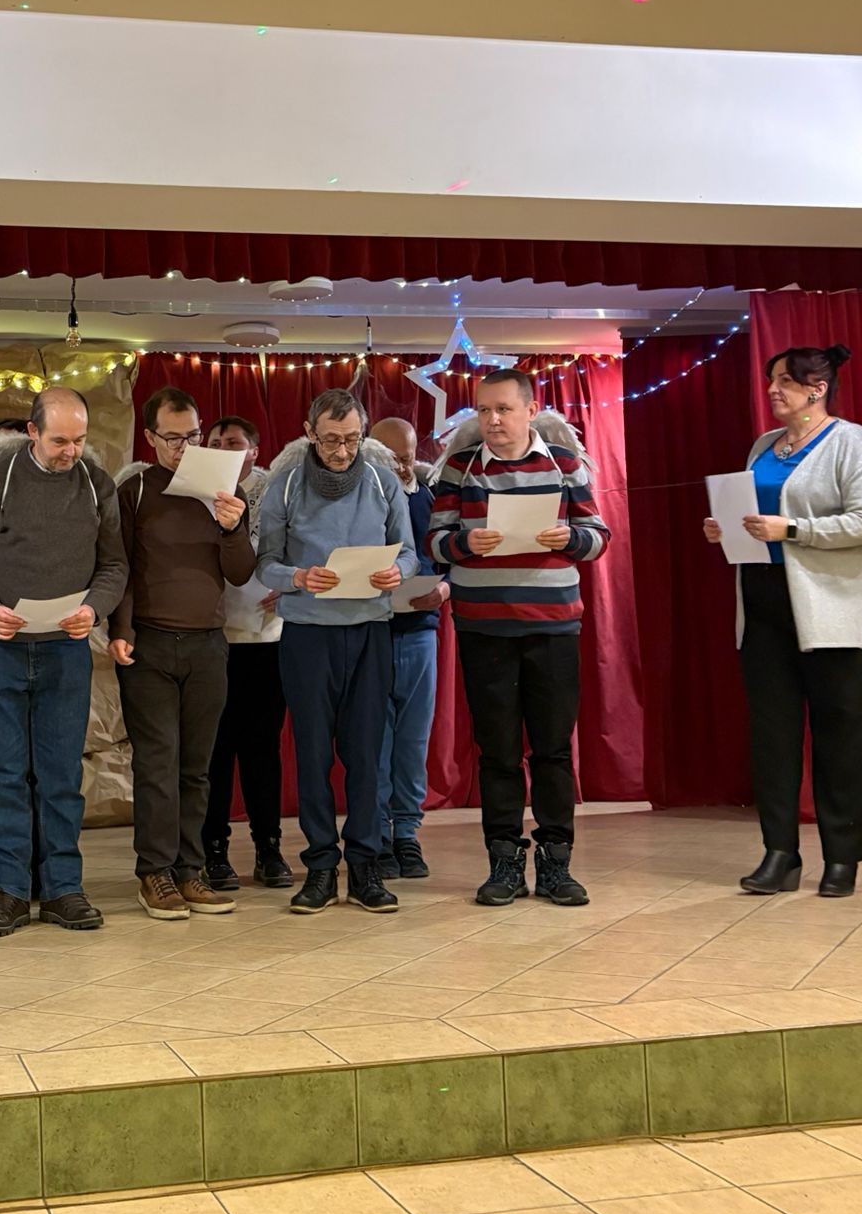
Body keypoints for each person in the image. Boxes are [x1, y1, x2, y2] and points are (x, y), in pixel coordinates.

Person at [704, 344, 862, 899]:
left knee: (839, 733)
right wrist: (727, 530)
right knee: (773, 735)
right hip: (764, 601)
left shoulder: (851, 442)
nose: (773, 390)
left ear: (817, 389)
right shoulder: (763, 445)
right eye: (771, 380)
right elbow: (755, 517)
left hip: (835, 606)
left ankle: (841, 858)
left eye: (785, 381)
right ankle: (780, 854)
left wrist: (792, 530)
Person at [429, 369, 611, 909]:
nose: (492, 420)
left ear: (531, 411)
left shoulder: (565, 463)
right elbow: (435, 541)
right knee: (498, 752)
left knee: (553, 750)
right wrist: (466, 544)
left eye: (504, 409)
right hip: (484, 627)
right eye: (484, 410)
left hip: (553, 625)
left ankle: (557, 863)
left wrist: (569, 537)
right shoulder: (460, 468)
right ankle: (504, 862)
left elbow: (598, 537)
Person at [0, 387, 127, 937]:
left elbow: (114, 567)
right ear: (32, 432)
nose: (71, 451)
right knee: (3, 773)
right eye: (59, 441)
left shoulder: (96, 484)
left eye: (79, 440)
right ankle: (8, 889)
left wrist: (93, 610)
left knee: (60, 774)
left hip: (64, 648)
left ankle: (62, 888)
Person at [255, 389, 415, 914]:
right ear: (309, 433)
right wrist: (297, 577)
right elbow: (265, 563)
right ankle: (321, 866)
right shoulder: (285, 485)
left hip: (369, 631)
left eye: (351, 440)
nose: (342, 451)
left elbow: (410, 554)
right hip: (308, 635)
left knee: (366, 754)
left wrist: (398, 572)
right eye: (330, 440)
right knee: (313, 754)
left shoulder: (383, 481)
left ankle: (365, 866)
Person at [108, 387, 254, 919]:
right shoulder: (135, 491)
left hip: (207, 644)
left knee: (196, 767)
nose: (183, 447)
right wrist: (119, 629)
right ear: (150, 438)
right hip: (148, 644)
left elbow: (241, 572)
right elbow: (119, 565)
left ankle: (190, 871)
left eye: (192, 436)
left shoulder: (223, 488)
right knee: (157, 763)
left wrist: (232, 527)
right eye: (172, 438)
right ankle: (155, 873)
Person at [201, 416, 291, 889]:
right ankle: (213, 849)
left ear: (255, 450)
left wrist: (291, 585)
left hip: (265, 640)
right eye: (215, 443)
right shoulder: (194, 490)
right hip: (210, 639)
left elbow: (300, 547)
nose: (223, 449)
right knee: (213, 752)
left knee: (261, 750)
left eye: (233, 442)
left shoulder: (277, 491)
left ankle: (268, 848)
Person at [371, 417, 450, 880]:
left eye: (405, 457)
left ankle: (407, 833)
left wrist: (444, 589)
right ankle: (378, 835)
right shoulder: (363, 493)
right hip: (373, 630)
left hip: (420, 629)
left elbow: (452, 556)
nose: (400, 467)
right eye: (389, 458)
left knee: (413, 739)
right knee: (376, 740)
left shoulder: (431, 494)